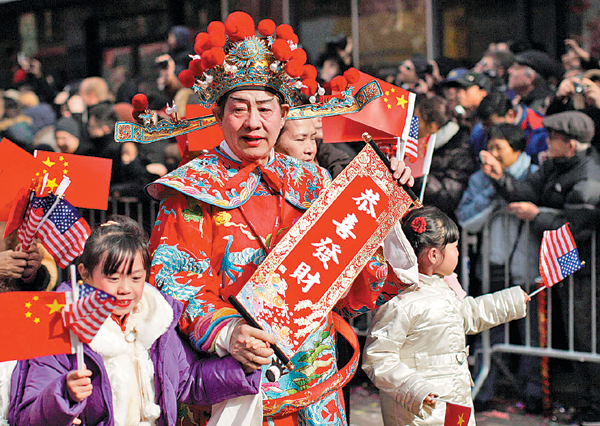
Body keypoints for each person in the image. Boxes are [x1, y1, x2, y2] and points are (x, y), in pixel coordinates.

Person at [147, 12, 418, 426]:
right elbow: (173, 279)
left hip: (317, 385)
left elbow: (351, 274)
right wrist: (228, 332)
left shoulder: (314, 181)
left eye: (265, 109)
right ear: (219, 116)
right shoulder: (190, 190)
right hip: (238, 384)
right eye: (239, 109)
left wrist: (381, 203)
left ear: (283, 112)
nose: (253, 123)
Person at [9, 217, 261, 426]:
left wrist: (243, 368)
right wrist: (63, 394)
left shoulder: (157, 321)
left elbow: (188, 381)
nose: (125, 289)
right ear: (85, 273)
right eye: (114, 278)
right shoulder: (59, 325)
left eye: (135, 278)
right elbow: (25, 414)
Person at [481, 111, 600, 423]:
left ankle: (595, 405)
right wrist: (499, 176)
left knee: (585, 336)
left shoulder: (589, 176)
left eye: (554, 138)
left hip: (586, 266)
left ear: (571, 144)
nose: (546, 142)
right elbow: (527, 191)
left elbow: (578, 225)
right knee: (575, 334)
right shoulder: (554, 164)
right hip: (562, 264)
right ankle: (587, 403)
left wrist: (538, 216)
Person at [362, 206, 530, 426]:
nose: (458, 253)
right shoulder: (400, 302)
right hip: (420, 410)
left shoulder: (442, 288)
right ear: (433, 255)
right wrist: (414, 389)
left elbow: (469, 314)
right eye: (455, 247)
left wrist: (511, 301)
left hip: (454, 400)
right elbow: (379, 356)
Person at [456, 123, 542, 412]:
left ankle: (534, 392)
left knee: (532, 333)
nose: (490, 154)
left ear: (517, 151)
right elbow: (466, 218)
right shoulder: (482, 178)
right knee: (491, 328)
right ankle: (483, 390)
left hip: (528, 266)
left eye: (499, 148)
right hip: (493, 263)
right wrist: (494, 194)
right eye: (489, 146)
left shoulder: (534, 175)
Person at [475, 92, 548, 163]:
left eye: (494, 125)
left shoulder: (539, 129)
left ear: (511, 114)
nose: (491, 131)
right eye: (486, 126)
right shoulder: (481, 131)